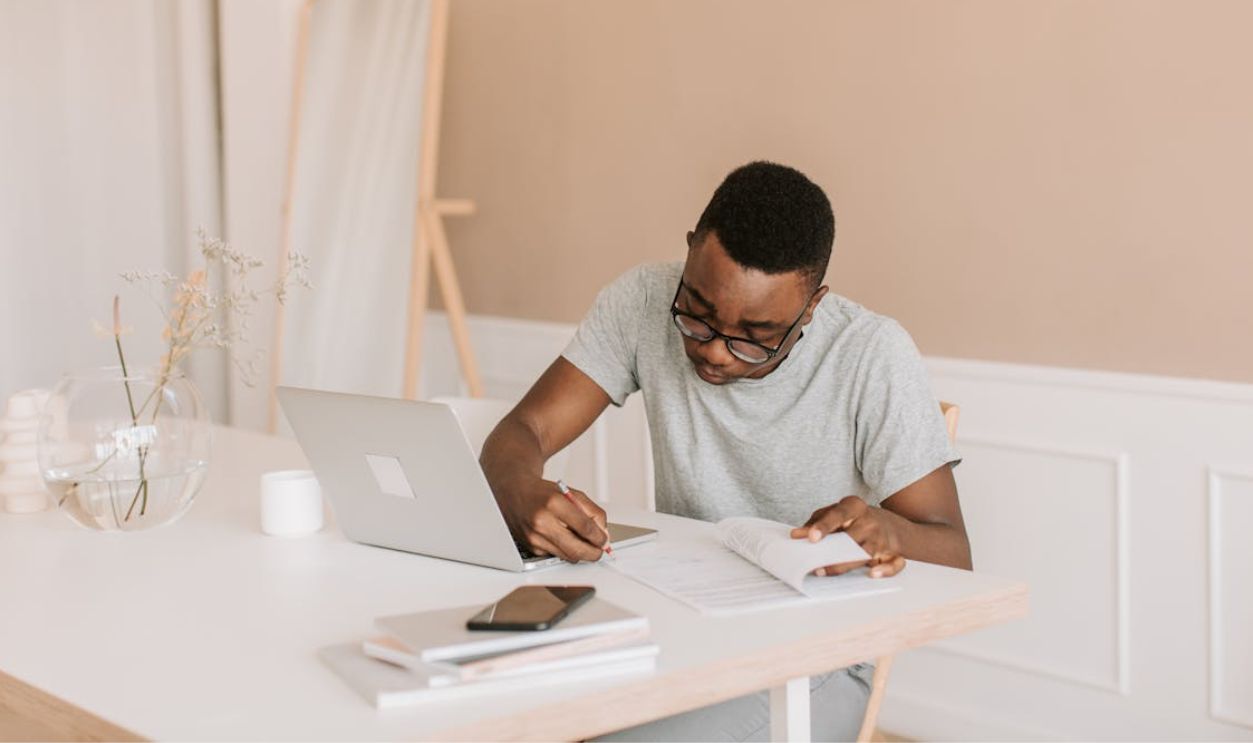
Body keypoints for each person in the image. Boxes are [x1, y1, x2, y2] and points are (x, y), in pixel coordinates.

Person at [480, 161, 972, 741]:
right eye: (698, 315)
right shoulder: (641, 299)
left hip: (815, 658)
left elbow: (954, 551)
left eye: (757, 338)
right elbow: (524, 432)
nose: (715, 352)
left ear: (812, 306)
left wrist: (890, 532)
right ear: (689, 251)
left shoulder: (871, 354)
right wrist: (518, 488)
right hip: (676, 625)